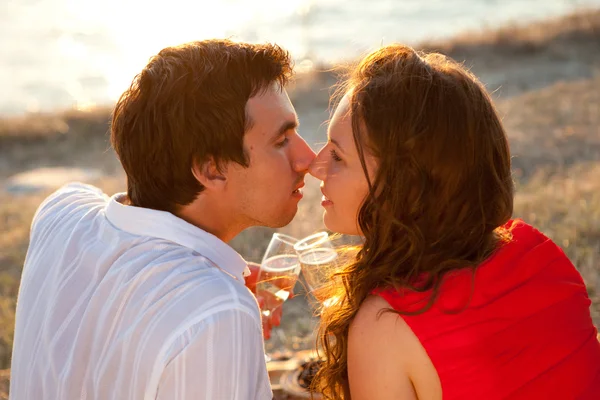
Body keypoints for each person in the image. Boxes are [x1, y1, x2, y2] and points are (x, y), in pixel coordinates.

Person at [10, 39, 315, 399]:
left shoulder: (60, 213)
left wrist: (209, 271)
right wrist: (212, 290)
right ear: (212, 169)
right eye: (282, 140)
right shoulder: (218, 313)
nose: (308, 157)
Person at [308, 44, 600, 399]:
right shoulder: (538, 254)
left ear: (404, 185)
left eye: (338, 156)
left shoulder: (386, 324)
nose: (316, 166)